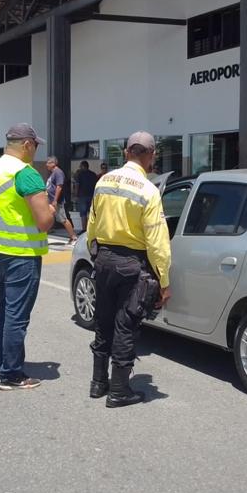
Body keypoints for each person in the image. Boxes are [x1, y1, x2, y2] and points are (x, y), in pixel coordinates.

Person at [87, 131, 172, 408]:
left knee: (103, 322)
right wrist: (164, 280)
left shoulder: (103, 182)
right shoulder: (148, 190)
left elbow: (91, 225)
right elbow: (157, 241)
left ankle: (98, 383)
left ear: (126, 153)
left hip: (104, 260)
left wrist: (95, 255)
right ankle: (120, 390)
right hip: (131, 264)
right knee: (125, 326)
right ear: (150, 156)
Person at [0, 124, 54, 391]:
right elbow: (44, 221)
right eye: (35, 145)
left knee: (3, 306)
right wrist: (53, 209)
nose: (36, 151)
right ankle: (11, 374)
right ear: (26, 145)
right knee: (17, 314)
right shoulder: (27, 174)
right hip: (20, 252)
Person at [45, 156, 78, 244]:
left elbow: (59, 187)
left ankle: (73, 237)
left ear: (53, 163)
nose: (46, 165)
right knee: (47, 217)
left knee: (63, 219)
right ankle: (44, 234)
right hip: (50, 200)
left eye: (48, 162)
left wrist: (55, 200)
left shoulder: (58, 172)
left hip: (56, 202)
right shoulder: (53, 173)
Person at [74, 160, 98, 234]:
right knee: (91, 213)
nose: (80, 168)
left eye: (80, 166)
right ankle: (91, 229)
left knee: (83, 214)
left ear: (83, 166)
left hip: (82, 196)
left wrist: (75, 195)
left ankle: (84, 229)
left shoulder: (80, 174)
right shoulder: (93, 174)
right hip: (91, 196)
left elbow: (77, 185)